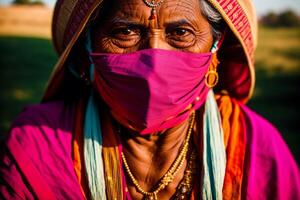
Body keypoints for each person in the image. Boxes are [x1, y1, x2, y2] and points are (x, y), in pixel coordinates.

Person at [0, 0, 299, 199]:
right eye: (126, 31)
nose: (155, 58)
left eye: (181, 32)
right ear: (87, 48)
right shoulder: (37, 144)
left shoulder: (256, 148)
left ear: (215, 50)